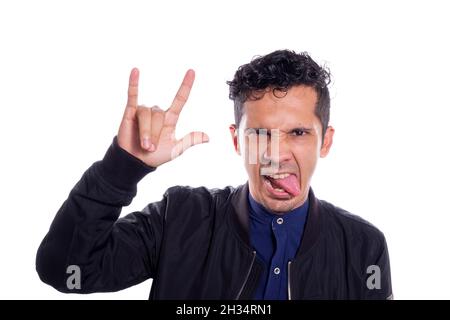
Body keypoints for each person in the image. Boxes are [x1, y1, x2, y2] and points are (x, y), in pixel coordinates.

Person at [36, 50, 393, 300]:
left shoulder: (363, 248)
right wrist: (122, 166)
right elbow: (67, 271)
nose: (276, 154)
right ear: (237, 140)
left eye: (298, 133)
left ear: (325, 142)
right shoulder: (180, 217)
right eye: (259, 133)